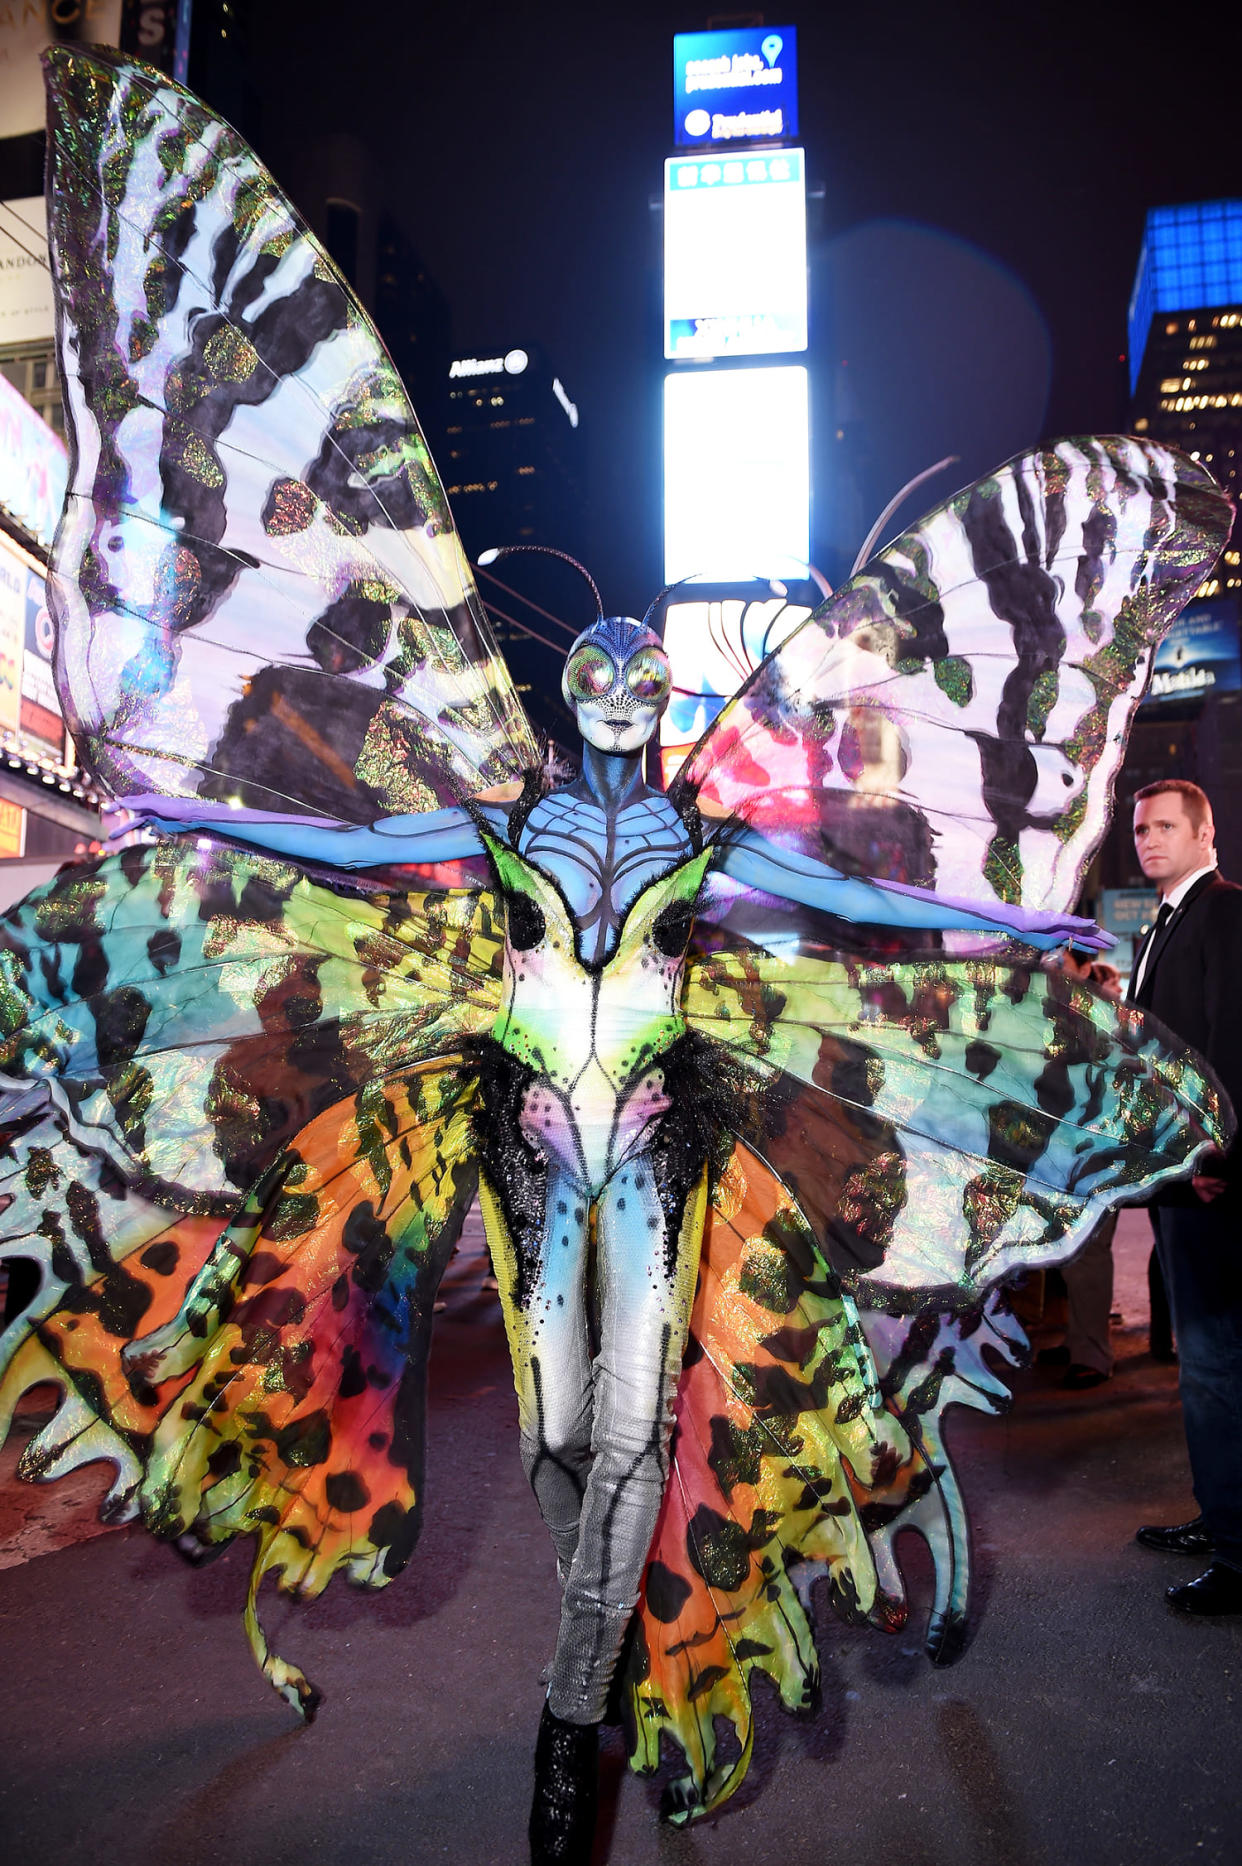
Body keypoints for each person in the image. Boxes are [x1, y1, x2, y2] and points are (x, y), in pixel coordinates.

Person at [1129, 778, 1242, 1615]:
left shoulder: (1226, 913)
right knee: (1206, 1368)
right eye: (1140, 828)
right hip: (1180, 1179)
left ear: (1206, 835)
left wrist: (1222, 1156)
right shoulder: (1164, 919)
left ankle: (1237, 1555)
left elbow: (1231, 1040)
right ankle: (1221, 1517)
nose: (1148, 839)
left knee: (1214, 1366)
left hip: (1210, 1182)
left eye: (1166, 826)